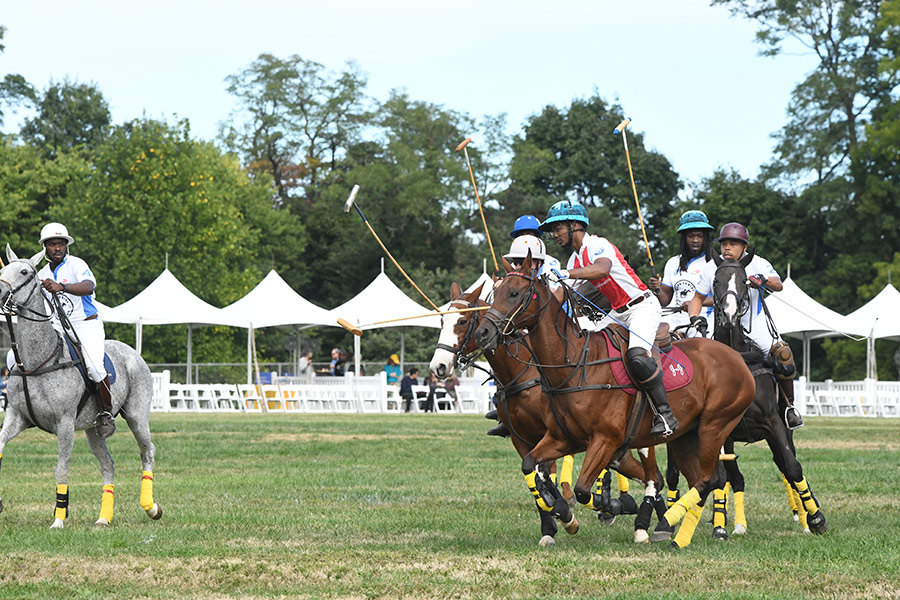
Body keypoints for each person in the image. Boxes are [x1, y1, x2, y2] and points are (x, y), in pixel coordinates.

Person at [538, 200, 678, 438]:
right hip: (617, 313)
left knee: (637, 358)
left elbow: (602, 269)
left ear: (575, 225)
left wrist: (567, 274)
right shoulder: (574, 259)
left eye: (558, 227)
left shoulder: (597, 245)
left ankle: (665, 415)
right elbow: (561, 296)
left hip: (642, 306)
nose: (555, 234)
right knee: (588, 349)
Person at [686, 222, 803, 429]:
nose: (727, 248)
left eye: (733, 243)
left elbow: (779, 285)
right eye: (724, 244)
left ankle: (788, 407)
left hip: (754, 324)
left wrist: (763, 280)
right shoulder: (711, 266)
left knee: (784, 354)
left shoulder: (757, 263)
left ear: (744, 247)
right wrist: (694, 317)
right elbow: (697, 298)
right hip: (721, 325)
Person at [37, 222, 115, 438]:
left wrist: (61, 286)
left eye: (61, 243)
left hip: (85, 324)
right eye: (52, 244)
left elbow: (89, 286)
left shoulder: (77, 264)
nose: (57, 248)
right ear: (45, 247)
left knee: (95, 369)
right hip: (58, 326)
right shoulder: (41, 273)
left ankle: (106, 413)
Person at [647, 210, 716, 338]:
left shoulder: (714, 264)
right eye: (691, 236)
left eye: (699, 236)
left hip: (704, 322)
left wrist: (697, 303)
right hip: (676, 323)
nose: (695, 240)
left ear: (705, 238)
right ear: (684, 238)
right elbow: (665, 300)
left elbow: (722, 298)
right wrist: (657, 289)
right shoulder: (673, 262)